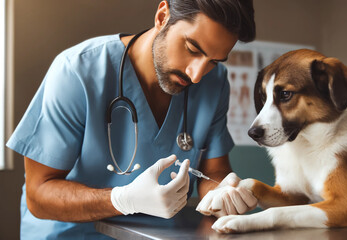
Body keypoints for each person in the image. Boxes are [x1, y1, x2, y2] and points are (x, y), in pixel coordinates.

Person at [6, 0, 257, 239]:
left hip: (156, 235)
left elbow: (213, 171)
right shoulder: (77, 71)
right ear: (162, 16)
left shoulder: (214, 83)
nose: (196, 75)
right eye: (192, 49)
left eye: (213, 61)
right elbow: (38, 194)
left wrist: (222, 193)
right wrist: (122, 199)